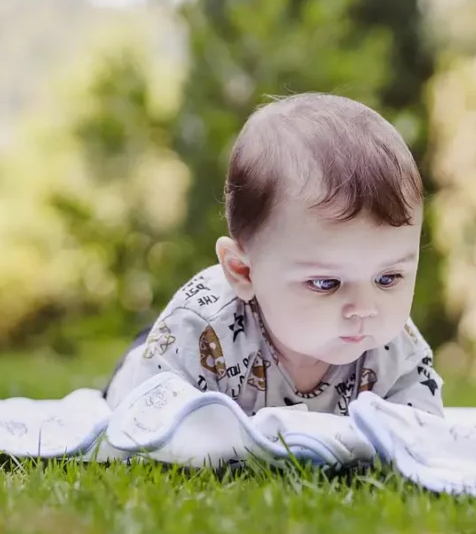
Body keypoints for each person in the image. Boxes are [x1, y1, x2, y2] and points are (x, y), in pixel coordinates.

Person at [104, 92, 445, 417]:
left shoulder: (396, 352)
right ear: (243, 271)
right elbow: (148, 420)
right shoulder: (200, 335)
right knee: (132, 380)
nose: (365, 308)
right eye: (326, 283)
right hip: (150, 361)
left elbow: (421, 429)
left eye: (387, 278)